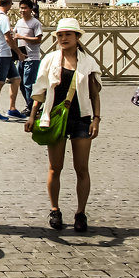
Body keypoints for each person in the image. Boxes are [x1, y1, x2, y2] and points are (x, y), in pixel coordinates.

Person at [26, 18, 102, 231]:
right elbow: (39, 90)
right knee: (54, 168)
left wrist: (97, 118)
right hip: (54, 117)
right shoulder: (50, 59)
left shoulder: (88, 62)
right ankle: (55, 209)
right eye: (60, 35)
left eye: (68, 34)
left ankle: (80, 213)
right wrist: (33, 115)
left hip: (81, 118)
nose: (63, 38)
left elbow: (95, 94)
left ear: (78, 37)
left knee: (81, 168)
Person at [0, 0, 23, 120]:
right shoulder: (3, 18)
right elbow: (8, 38)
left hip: (3, 54)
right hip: (1, 54)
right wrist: (19, 53)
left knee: (16, 79)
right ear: (9, 4)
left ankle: (12, 109)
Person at [14, 0, 43, 112]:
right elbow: (14, 34)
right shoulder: (19, 22)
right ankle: (30, 105)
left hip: (32, 57)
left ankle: (32, 108)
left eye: (25, 8)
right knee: (20, 82)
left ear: (31, 9)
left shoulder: (36, 23)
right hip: (21, 57)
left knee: (28, 84)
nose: (22, 10)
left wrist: (22, 37)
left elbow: (38, 39)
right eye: (21, 8)